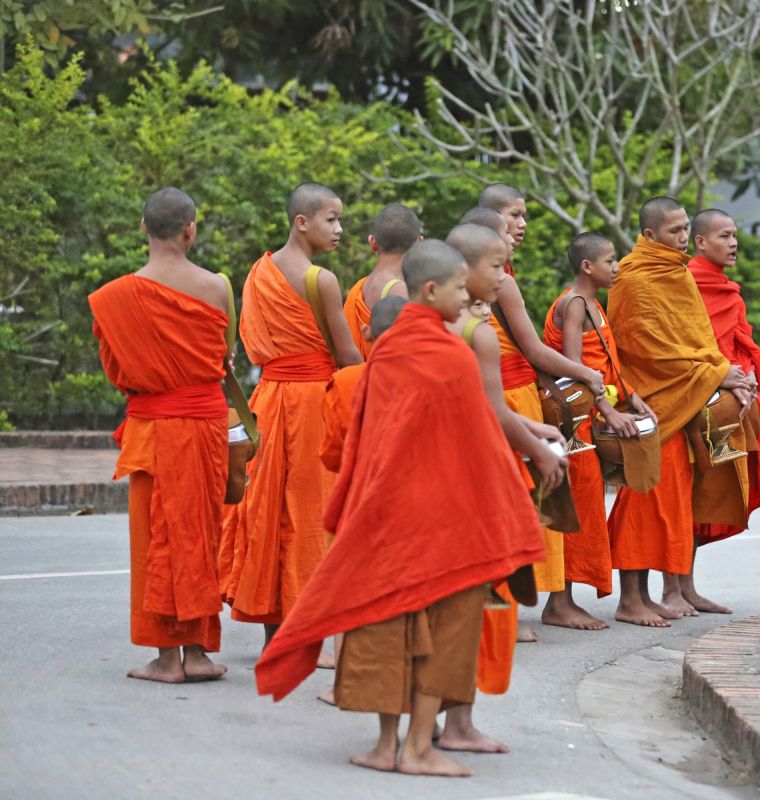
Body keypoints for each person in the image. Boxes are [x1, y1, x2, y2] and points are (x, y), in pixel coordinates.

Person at [256, 239, 546, 778]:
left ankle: (385, 746)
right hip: (442, 518)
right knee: (447, 629)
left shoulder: (384, 353)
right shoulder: (451, 353)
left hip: (384, 514)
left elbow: (366, 440)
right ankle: (418, 747)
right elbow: (479, 438)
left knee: (384, 624)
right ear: (432, 290)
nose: (467, 298)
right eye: (460, 288)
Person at [89, 187, 230, 683]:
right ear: (191, 229)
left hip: (151, 428)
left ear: (143, 228)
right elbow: (222, 358)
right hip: (205, 425)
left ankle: (165, 659)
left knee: (155, 538)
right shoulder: (217, 288)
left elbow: (117, 371)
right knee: (198, 534)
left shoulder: (114, 298)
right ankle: (197, 654)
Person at [442, 221, 568, 753]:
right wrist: (539, 450)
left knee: (440, 603)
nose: (504, 277)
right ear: (464, 270)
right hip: (474, 479)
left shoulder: (425, 319)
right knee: (476, 602)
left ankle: (434, 720)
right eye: (495, 267)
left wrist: (532, 429)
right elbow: (492, 411)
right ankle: (459, 725)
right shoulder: (476, 331)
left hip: (439, 474)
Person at [219, 183, 362, 655]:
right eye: (332, 219)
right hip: (312, 405)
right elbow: (346, 356)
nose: (340, 229)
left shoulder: (257, 272)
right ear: (302, 222)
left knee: (270, 512)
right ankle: (314, 634)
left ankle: (274, 634)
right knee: (310, 515)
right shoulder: (321, 279)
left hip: (267, 402)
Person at [606, 197, 754, 626]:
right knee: (643, 495)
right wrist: (714, 375)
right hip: (651, 400)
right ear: (650, 235)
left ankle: (655, 593)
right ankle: (630, 598)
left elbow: (697, 338)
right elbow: (645, 347)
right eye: (675, 231)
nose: (684, 238)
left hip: (683, 396)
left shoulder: (677, 274)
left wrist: (721, 371)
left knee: (671, 500)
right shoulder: (632, 279)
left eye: (686, 228)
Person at [470, 191, 605, 641]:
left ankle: (523, 601)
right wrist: (585, 372)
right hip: (509, 398)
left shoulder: (486, 280)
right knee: (525, 502)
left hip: (506, 393)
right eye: (512, 221)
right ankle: (512, 604)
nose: (520, 228)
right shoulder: (499, 282)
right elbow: (532, 349)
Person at [542, 232, 656, 630]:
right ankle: (560, 602)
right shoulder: (574, 304)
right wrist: (608, 411)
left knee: (588, 500)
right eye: (610, 261)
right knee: (579, 502)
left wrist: (631, 395)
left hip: (593, 414)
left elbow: (605, 361)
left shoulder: (595, 303)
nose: (617, 266)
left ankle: (566, 596)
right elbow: (576, 369)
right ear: (587, 266)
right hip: (576, 420)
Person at [682, 209, 760, 614]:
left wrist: (748, 378)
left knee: (708, 494)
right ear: (701, 242)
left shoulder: (729, 292)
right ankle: (676, 587)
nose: (734, 243)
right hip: (696, 397)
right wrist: (724, 377)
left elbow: (741, 346)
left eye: (735, 235)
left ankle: (686, 586)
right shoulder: (685, 283)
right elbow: (687, 346)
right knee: (687, 493)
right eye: (724, 236)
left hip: (731, 401)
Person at [315, 295, 408, 706]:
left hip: (358, 501)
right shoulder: (435, 381)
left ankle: (344, 683)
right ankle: (408, 686)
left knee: (348, 588)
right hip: (413, 505)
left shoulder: (347, 382)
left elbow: (332, 453)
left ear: (368, 333)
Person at [343, 204, 422, 357]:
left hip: (357, 379)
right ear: (418, 242)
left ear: (372, 242)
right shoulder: (402, 291)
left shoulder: (357, 288)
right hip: (388, 378)